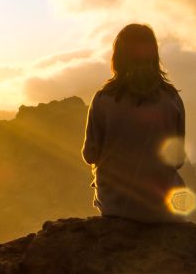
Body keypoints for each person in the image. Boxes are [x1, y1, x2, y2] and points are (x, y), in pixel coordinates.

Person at [81, 23, 190, 223]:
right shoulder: (172, 99)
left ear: (118, 57)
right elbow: (178, 160)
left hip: (116, 206)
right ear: (154, 56)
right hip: (163, 209)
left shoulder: (103, 99)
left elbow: (90, 155)